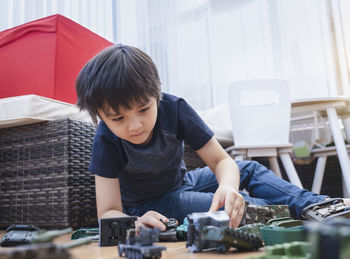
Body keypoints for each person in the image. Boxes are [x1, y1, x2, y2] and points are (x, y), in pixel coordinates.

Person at [75, 44, 347, 231]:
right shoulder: (106, 140)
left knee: (246, 170)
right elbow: (108, 213)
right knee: (234, 208)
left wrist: (227, 186)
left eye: (144, 109)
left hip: (182, 182)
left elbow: (221, 161)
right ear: (100, 116)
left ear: (156, 95)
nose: (135, 125)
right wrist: (135, 221)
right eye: (118, 118)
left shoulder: (175, 108)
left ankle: (318, 205)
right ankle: (305, 220)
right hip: (147, 204)